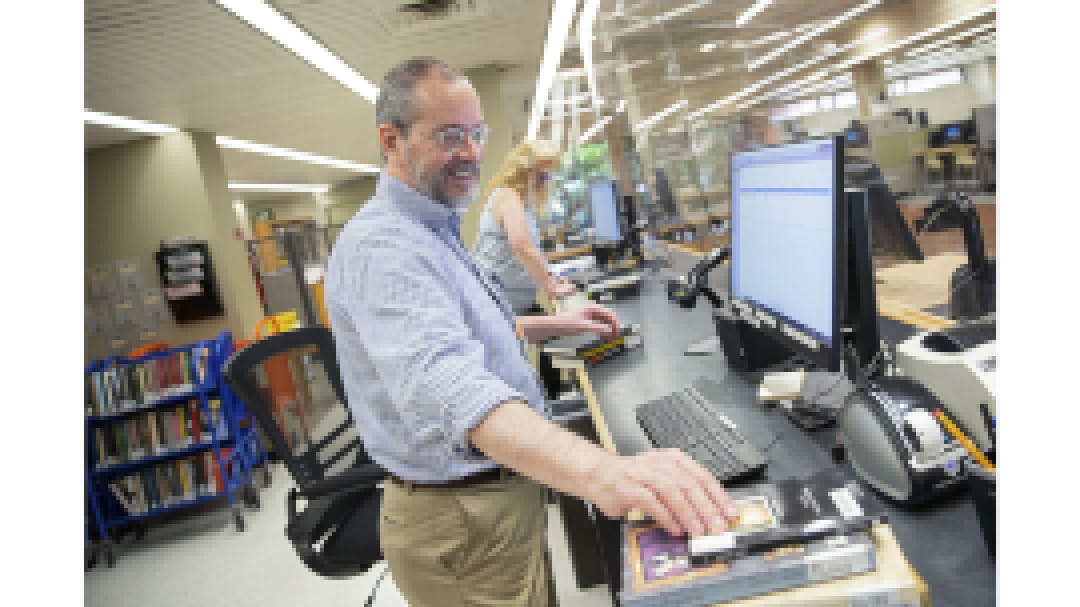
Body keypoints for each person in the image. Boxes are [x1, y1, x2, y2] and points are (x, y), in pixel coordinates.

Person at [324, 57, 737, 607]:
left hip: (490, 502)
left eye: (477, 133)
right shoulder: (386, 247)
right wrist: (603, 473)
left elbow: (474, 333)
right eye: (450, 136)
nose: (471, 151)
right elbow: (452, 389)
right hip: (464, 518)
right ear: (391, 140)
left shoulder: (433, 228)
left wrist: (560, 323)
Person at [472, 139, 576, 314]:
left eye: (547, 176)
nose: (544, 182)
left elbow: (529, 249)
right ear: (522, 172)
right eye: (541, 176)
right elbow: (522, 246)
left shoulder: (520, 202)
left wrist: (550, 277)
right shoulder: (508, 196)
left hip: (513, 304)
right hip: (497, 305)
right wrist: (550, 285)